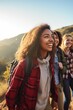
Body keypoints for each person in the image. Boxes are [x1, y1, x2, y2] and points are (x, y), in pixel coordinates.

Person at [6, 24, 58, 110]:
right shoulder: (25, 64)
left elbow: (51, 83)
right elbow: (11, 93)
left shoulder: (49, 61)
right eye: (46, 36)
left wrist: (55, 99)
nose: (51, 40)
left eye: (52, 36)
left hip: (46, 106)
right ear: (36, 40)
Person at [51, 31, 66, 110]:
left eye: (56, 38)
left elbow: (65, 68)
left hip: (58, 84)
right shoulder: (45, 51)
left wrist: (62, 67)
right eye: (53, 37)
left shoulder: (60, 51)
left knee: (61, 107)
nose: (55, 39)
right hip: (48, 86)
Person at [61, 34, 73, 110]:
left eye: (71, 40)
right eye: (67, 40)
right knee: (68, 98)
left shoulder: (72, 52)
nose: (70, 42)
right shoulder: (60, 53)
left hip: (72, 75)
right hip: (64, 78)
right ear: (63, 41)